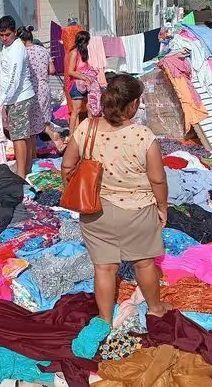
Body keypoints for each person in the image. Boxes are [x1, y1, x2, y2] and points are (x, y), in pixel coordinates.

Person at [61, 74, 171, 325]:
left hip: (95, 211)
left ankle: (104, 319)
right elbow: (158, 180)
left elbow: (67, 166)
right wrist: (162, 207)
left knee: (104, 267)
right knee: (144, 263)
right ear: (132, 104)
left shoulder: (86, 127)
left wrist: (80, 192)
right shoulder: (143, 136)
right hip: (138, 212)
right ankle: (155, 307)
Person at [0, 15, 38, 179]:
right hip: (14, 99)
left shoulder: (18, 49)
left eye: (7, 35)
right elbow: (3, 62)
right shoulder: (7, 47)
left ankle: (20, 173)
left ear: (14, 33)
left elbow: (15, 78)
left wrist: (0, 99)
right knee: (21, 135)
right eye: (1, 35)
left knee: (19, 137)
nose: (4, 38)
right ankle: (24, 169)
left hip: (20, 97)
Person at [19, 26, 66, 151]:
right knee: (42, 119)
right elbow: (52, 70)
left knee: (31, 123)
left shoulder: (22, 53)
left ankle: (47, 139)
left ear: (21, 40)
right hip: (44, 88)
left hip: (31, 89)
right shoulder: (43, 50)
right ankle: (38, 148)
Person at [65, 30, 94, 133]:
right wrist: (84, 77)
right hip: (76, 86)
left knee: (89, 108)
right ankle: (71, 133)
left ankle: (90, 130)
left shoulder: (84, 52)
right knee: (76, 111)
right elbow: (70, 71)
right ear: (85, 41)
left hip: (85, 85)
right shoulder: (74, 52)